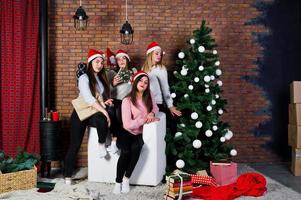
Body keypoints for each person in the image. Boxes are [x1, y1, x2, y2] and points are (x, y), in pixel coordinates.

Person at [64, 49, 113, 185]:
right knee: (75, 145)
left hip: (92, 111)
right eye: (96, 61)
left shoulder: (101, 78)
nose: (99, 64)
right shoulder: (84, 77)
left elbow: (98, 97)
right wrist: (104, 110)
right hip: (80, 113)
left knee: (102, 120)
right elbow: (89, 98)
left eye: (101, 62)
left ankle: (101, 144)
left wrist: (105, 103)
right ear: (90, 62)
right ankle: (67, 175)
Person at [113, 70, 159, 194]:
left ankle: (126, 179)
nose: (143, 83)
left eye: (146, 82)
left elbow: (155, 107)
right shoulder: (127, 100)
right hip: (126, 131)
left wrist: (152, 113)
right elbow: (127, 124)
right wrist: (144, 119)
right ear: (135, 82)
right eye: (141, 80)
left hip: (140, 133)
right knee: (126, 151)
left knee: (136, 149)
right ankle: (118, 182)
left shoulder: (149, 95)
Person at [142, 42, 182, 132]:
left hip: (156, 103)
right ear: (150, 54)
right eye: (156, 53)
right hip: (144, 103)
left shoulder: (161, 68)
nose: (159, 56)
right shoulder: (143, 68)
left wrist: (170, 105)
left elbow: (165, 88)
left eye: (160, 54)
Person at [107, 50, 134, 154]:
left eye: (123, 58)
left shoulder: (133, 72)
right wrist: (113, 84)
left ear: (127, 60)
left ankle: (115, 142)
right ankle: (114, 141)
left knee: (120, 110)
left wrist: (133, 82)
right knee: (113, 110)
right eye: (118, 59)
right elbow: (105, 91)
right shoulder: (112, 73)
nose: (121, 61)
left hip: (126, 101)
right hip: (113, 100)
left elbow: (136, 91)